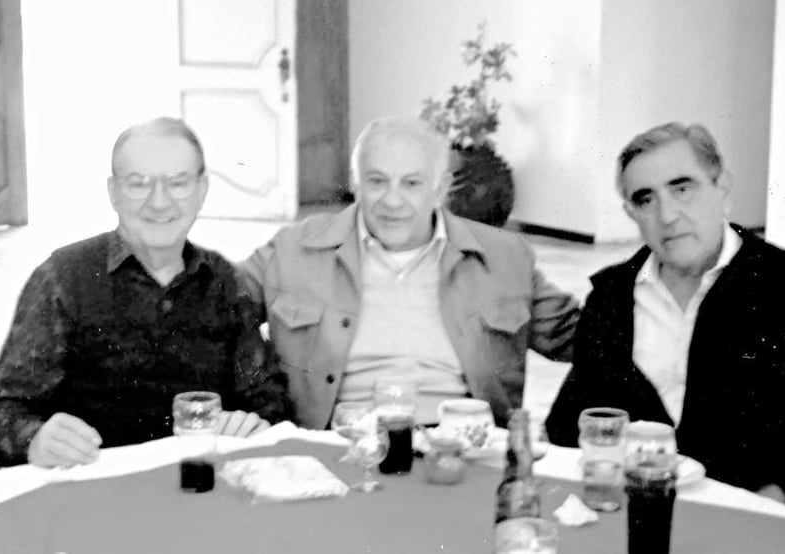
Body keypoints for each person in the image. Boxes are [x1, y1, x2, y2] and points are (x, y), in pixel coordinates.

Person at [0, 117, 292, 468]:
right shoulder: (63, 278)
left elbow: (268, 397)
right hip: (92, 489)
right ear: (113, 193)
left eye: (178, 183)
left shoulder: (224, 281)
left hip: (201, 483)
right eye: (138, 184)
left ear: (202, 190)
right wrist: (34, 439)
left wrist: (252, 423)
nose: (159, 202)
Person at [241, 115, 580, 430]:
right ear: (356, 184)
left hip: (462, 450)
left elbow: (588, 338)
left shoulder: (505, 258)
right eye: (377, 182)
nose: (393, 201)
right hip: (344, 444)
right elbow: (211, 304)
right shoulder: (293, 250)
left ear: (440, 188)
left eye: (411, 184)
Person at [545, 122, 785, 502]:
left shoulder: (784, 287)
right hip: (629, 509)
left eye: (682, 188)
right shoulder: (610, 298)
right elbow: (569, 424)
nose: (668, 215)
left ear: (722, 186)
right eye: (646, 199)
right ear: (631, 212)